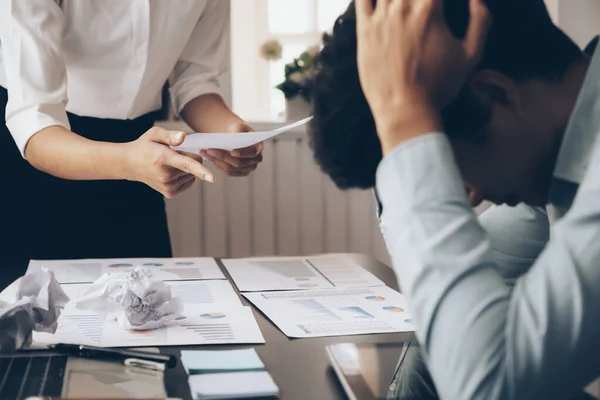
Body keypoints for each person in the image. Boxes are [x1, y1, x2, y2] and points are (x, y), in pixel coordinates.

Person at [309, 0, 600, 398]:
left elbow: (485, 385)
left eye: (448, 164)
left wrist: (406, 116)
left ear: (494, 93)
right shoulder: (557, 173)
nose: (473, 196)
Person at [0, 0, 262, 275]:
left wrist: (229, 130)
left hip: (139, 155)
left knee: (152, 305)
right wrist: (128, 161)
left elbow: (194, 79)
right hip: (37, 155)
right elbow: (34, 122)